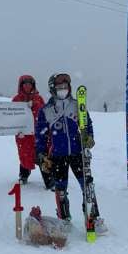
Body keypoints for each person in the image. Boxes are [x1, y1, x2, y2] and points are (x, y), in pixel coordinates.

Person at [35, 73, 100, 222]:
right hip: (57, 154)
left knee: (87, 185)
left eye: (65, 87)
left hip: (77, 152)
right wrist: (41, 154)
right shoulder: (46, 111)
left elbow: (87, 124)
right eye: (59, 87)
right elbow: (40, 135)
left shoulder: (77, 105)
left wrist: (89, 136)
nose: (63, 90)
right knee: (61, 189)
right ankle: (64, 218)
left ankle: (93, 216)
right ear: (53, 89)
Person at [11, 74, 47, 188]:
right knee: (24, 154)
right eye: (25, 84)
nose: (27, 86)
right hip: (23, 135)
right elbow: (10, 117)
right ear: (21, 85)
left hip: (38, 134)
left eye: (30, 84)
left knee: (42, 155)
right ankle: (23, 175)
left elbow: (46, 114)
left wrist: (35, 104)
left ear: (33, 85)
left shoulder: (39, 98)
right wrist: (17, 130)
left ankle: (48, 179)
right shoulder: (16, 100)